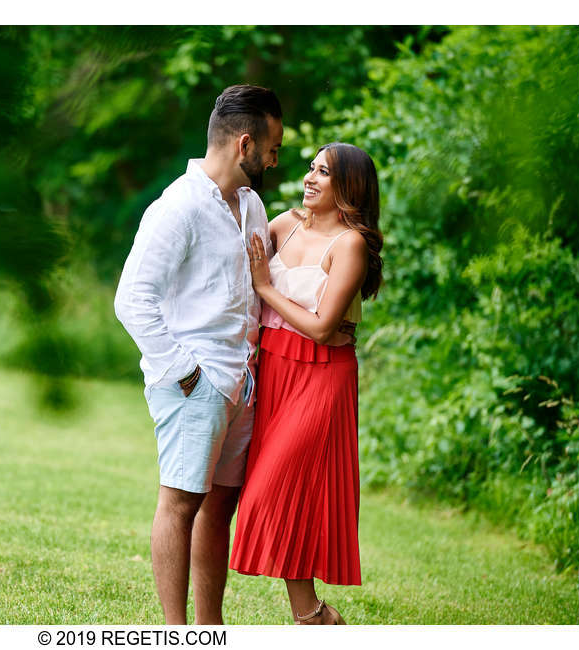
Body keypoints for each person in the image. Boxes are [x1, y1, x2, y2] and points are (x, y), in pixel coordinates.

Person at [114, 86, 353, 625]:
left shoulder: (249, 205)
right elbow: (131, 299)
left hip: (243, 382)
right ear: (245, 143)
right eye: (272, 147)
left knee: (218, 507)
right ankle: (179, 634)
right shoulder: (177, 207)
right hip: (194, 383)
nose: (276, 158)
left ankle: (210, 627)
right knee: (180, 503)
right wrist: (184, 373)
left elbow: (276, 278)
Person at [228, 142, 383, 625]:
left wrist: (266, 287)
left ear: (349, 187)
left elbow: (321, 326)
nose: (310, 179)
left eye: (324, 173)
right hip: (274, 371)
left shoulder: (351, 244)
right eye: (310, 169)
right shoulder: (281, 224)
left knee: (270, 488)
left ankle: (311, 613)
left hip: (321, 374)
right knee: (276, 491)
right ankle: (313, 616)